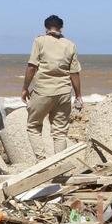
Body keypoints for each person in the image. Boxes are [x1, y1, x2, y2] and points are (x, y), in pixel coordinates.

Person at [21, 15, 82, 160]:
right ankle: (59, 164)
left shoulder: (39, 41)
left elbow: (32, 66)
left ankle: (42, 162)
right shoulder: (70, 44)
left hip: (43, 90)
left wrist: (25, 88)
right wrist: (78, 95)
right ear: (61, 27)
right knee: (60, 132)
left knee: (33, 126)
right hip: (64, 92)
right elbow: (75, 73)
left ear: (46, 27)